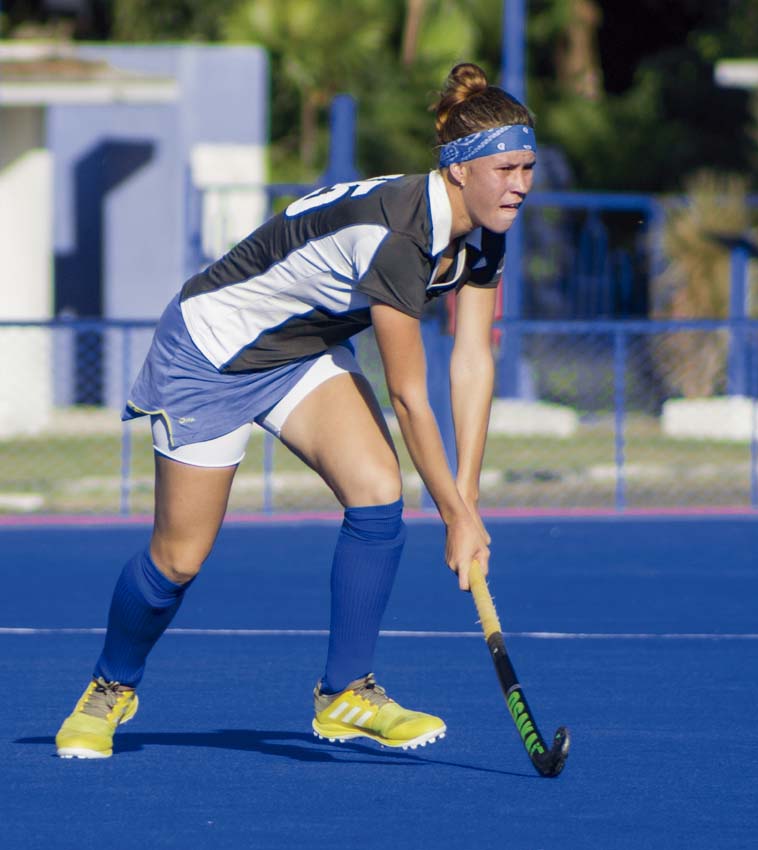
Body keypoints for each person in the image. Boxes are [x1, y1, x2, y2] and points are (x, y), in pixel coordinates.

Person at [55, 62, 536, 759]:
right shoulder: (398, 240)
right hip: (211, 354)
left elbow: (473, 359)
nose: (520, 185)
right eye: (505, 169)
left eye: (527, 167)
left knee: (377, 489)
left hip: (300, 351)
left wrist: (466, 496)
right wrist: (456, 519)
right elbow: (409, 396)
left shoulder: (487, 230)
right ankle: (109, 686)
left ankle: (346, 692)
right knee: (179, 559)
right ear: (458, 170)